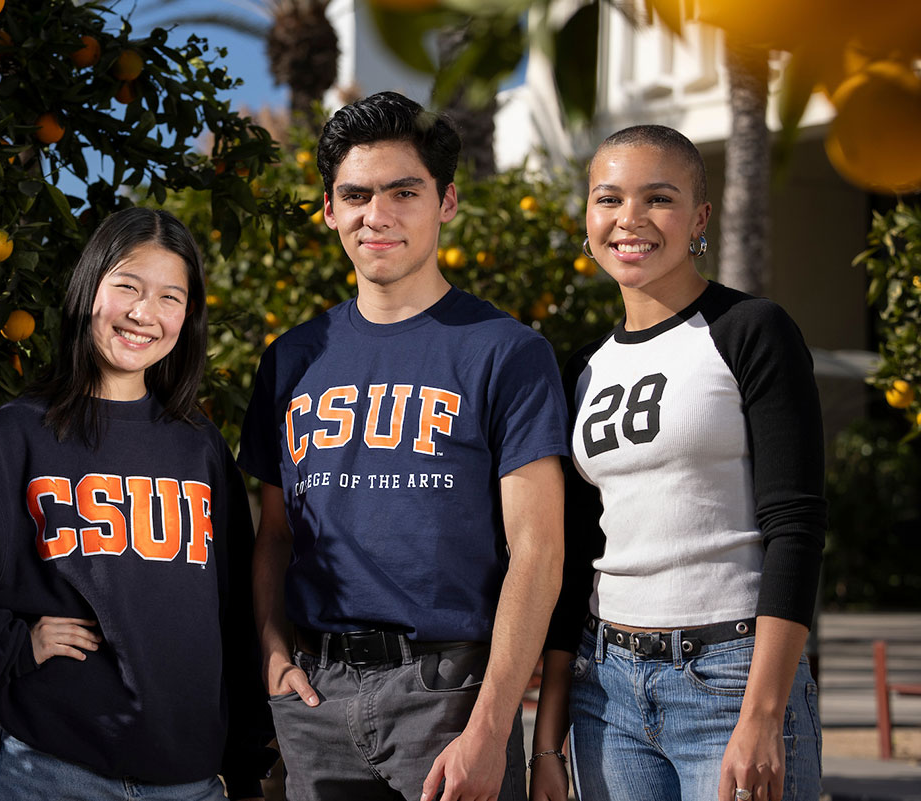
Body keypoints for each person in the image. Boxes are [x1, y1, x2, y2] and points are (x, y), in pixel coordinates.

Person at [0, 208, 270, 801]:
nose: (144, 313)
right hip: (52, 773)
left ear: (189, 315)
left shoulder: (199, 445)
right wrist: (6, 645)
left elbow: (232, 613)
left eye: (170, 297)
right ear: (90, 290)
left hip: (188, 781)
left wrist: (245, 761)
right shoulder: (19, 435)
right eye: (128, 287)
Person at [238, 91, 568, 801]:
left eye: (402, 191)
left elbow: (538, 550)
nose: (375, 215)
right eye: (355, 194)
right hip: (315, 697)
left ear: (446, 202)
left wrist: (489, 726)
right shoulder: (291, 358)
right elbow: (273, 534)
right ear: (329, 208)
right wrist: (271, 651)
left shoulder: (507, 353)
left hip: (448, 701)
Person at [529, 125, 825, 801]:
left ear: (698, 218)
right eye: (609, 199)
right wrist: (548, 740)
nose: (629, 219)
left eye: (657, 198)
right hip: (606, 691)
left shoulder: (752, 330)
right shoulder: (582, 367)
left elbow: (797, 527)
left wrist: (762, 714)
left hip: (729, 680)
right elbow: (576, 562)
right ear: (588, 217)